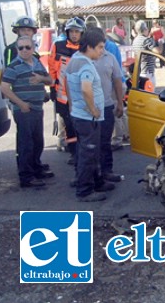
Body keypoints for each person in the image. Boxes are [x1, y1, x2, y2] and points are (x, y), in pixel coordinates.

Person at [0, 36, 54, 188]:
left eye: (27, 47)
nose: (24, 50)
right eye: (21, 47)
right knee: (26, 144)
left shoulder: (37, 63)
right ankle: (26, 177)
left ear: (33, 48)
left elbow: (50, 80)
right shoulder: (13, 66)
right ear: (17, 49)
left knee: (38, 142)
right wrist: (21, 104)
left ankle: (36, 169)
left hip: (37, 108)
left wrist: (41, 78)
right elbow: (4, 88)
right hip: (24, 110)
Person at [65, 29, 111, 202]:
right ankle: (85, 190)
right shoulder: (85, 64)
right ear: (89, 47)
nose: (102, 51)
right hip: (87, 117)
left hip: (78, 113)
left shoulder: (74, 60)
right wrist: (93, 109)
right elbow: (86, 88)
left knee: (86, 150)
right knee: (88, 153)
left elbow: (67, 83)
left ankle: (95, 182)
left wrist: (71, 104)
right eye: (99, 47)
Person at [87, 27, 127, 184]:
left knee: (105, 142)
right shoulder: (80, 59)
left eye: (104, 45)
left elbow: (118, 80)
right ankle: (88, 175)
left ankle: (106, 171)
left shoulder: (110, 58)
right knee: (89, 144)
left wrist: (119, 102)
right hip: (86, 110)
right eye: (100, 46)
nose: (103, 49)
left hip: (106, 106)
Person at [48, 17, 85, 165]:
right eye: (72, 32)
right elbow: (51, 68)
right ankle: (73, 153)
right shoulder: (58, 45)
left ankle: (83, 153)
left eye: (77, 32)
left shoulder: (85, 47)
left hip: (81, 94)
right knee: (69, 125)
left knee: (81, 124)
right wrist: (52, 87)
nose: (74, 34)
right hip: (62, 94)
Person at [132, 20, 163, 86]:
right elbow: (158, 52)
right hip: (148, 72)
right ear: (145, 29)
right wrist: (160, 42)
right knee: (150, 94)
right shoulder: (146, 40)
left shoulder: (135, 40)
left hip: (140, 71)